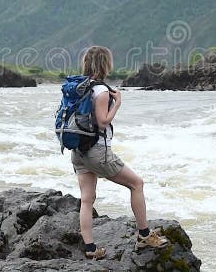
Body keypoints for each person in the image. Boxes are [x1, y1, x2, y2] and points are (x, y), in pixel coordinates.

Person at [71, 45, 169, 260]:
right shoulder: (102, 91)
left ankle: (90, 249)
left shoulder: (78, 86)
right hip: (97, 151)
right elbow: (103, 122)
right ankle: (144, 235)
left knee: (87, 199)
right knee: (137, 184)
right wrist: (118, 103)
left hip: (78, 151)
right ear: (105, 64)